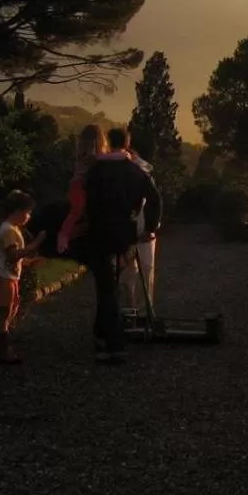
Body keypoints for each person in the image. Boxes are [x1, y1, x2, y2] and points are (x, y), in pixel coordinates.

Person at [84, 131, 162, 363]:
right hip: (126, 233)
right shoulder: (135, 171)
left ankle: (114, 343)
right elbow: (155, 198)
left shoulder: (96, 170)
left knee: (106, 285)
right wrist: (149, 227)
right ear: (127, 144)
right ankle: (101, 332)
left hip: (100, 233)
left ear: (109, 143)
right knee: (111, 282)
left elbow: (88, 201)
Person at [0, 190, 46, 364]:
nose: (29, 216)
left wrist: (29, 262)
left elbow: (13, 258)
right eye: (28, 212)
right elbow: (13, 255)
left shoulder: (12, 230)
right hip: (2, 277)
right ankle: (4, 351)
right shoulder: (8, 230)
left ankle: (0, 347)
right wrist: (37, 243)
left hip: (8, 277)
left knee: (9, 311)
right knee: (4, 313)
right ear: (18, 211)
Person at [58, 124, 106, 258]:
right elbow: (99, 159)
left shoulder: (82, 153)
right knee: (77, 211)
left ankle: (71, 235)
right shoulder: (89, 155)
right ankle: (64, 235)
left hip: (78, 185)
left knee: (83, 214)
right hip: (79, 185)